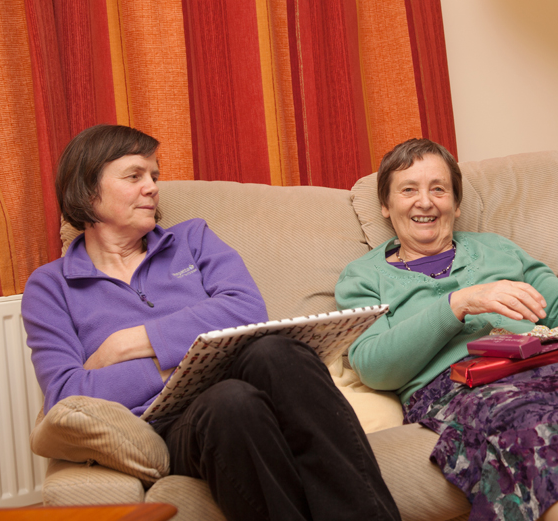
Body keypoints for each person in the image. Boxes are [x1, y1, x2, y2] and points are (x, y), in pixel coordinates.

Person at [22, 124, 401, 521]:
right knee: (230, 402)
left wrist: (127, 344)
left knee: (277, 352)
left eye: (154, 175)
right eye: (134, 176)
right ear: (87, 190)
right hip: (172, 424)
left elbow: (247, 310)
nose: (152, 188)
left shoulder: (192, 239)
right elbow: (68, 396)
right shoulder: (50, 286)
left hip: (248, 381)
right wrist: (189, 359)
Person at [335, 138, 558, 521]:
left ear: (456, 204)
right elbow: (373, 366)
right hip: (462, 388)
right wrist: (459, 303)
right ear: (386, 205)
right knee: (533, 423)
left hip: (548, 365)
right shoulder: (363, 277)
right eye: (408, 190)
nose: (424, 202)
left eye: (438, 189)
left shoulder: (497, 250)